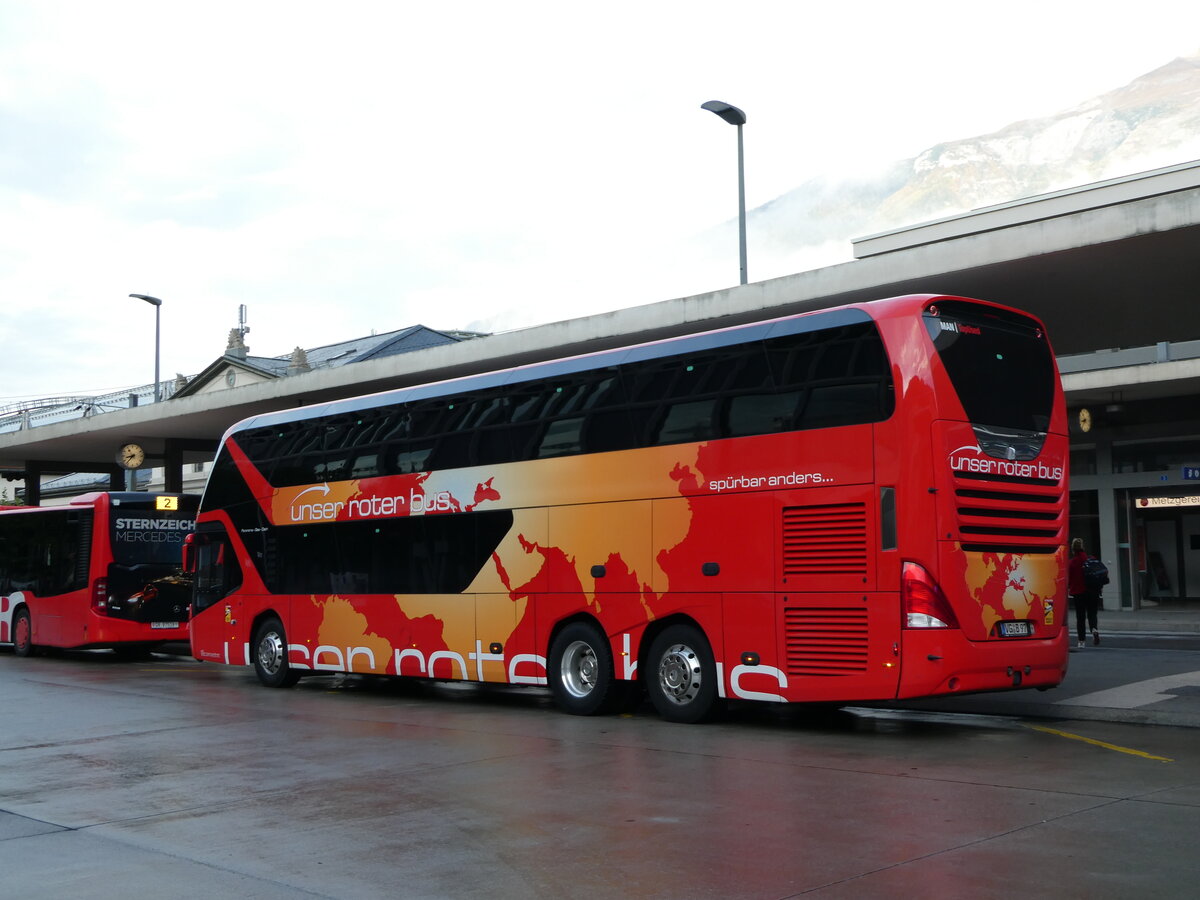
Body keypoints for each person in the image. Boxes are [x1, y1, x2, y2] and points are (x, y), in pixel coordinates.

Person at [1067, 537, 1100, 649]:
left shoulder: (1072, 563)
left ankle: (1081, 641)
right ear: (1083, 548)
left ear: (1073, 549)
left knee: (1080, 617)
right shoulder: (1091, 559)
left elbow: (1069, 579)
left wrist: (1068, 588)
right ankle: (1094, 629)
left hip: (1078, 592)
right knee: (1092, 613)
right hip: (1092, 592)